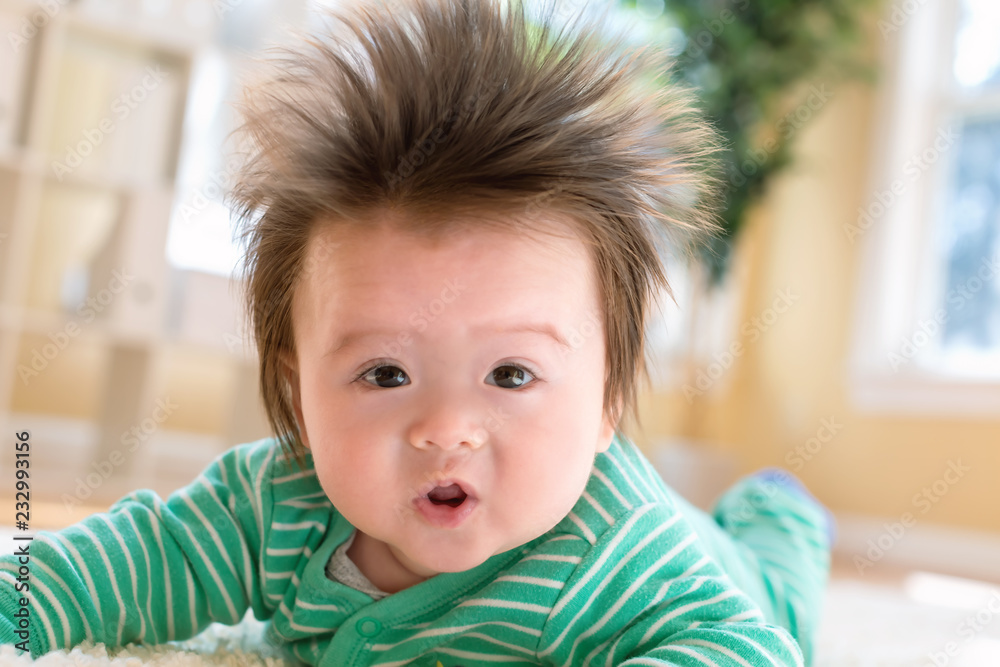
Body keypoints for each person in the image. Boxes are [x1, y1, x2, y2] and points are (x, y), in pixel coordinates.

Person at [0, 0, 831, 664]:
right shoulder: (277, 502)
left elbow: (743, 646)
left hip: (730, 569)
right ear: (296, 388)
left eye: (510, 374)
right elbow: (148, 559)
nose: (445, 430)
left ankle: (778, 515)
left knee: (782, 591)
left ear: (608, 396)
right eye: (385, 373)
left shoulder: (611, 550)